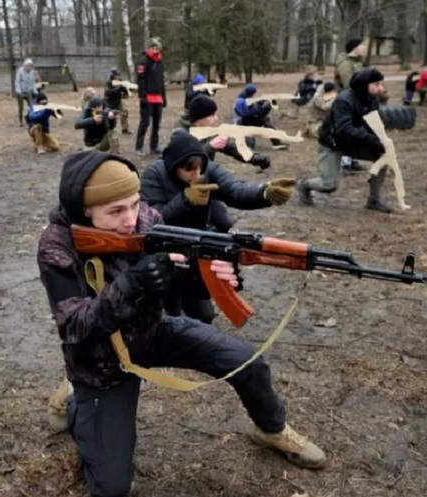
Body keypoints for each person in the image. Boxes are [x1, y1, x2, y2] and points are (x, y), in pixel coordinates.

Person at [38, 150, 326, 497]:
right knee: (112, 487)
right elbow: (72, 327)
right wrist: (131, 285)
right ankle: (75, 403)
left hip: (153, 331)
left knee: (245, 360)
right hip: (100, 363)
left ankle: (271, 427)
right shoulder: (57, 245)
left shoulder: (147, 218)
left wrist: (214, 276)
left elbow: (179, 278)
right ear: (84, 209)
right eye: (115, 211)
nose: (131, 219)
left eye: (134, 203)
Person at [140, 130, 294, 323]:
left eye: (200, 167)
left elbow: (235, 190)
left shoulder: (208, 171)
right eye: (189, 168)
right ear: (174, 166)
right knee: (169, 308)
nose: (196, 173)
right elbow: (151, 219)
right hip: (164, 249)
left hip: (197, 245)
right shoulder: (154, 174)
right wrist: (185, 200)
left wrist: (264, 193)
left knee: (204, 314)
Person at [295, 68, 392, 214]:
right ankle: (304, 185)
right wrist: (371, 139)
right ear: (365, 84)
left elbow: (371, 122)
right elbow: (344, 129)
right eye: (377, 84)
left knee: (383, 157)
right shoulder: (344, 100)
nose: (381, 88)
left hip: (352, 141)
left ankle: (374, 200)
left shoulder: (372, 99)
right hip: (333, 143)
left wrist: (381, 141)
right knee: (329, 185)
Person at [177, 94, 271, 169]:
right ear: (199, 118)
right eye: (212, 115)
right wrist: (210, 146)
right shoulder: (180, 135)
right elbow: (184, 162)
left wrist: (255, 157)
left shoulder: (209, 131)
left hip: (206, 175)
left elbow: (232, 147)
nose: (216, 118)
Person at [135, 38, 167, 155]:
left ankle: (154, 146)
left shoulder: (159, 62)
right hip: (147, 97)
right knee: (145, 122)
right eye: (153, 47)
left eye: (157, 48)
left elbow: (161, 80)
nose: (155, 50)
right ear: (149, 48)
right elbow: (141, 79)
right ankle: (139, 147)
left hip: (158, 97)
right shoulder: (144, 61)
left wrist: (164, 96)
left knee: (156, 123)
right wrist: (142, 96)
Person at [233, 84, 288, 151]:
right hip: (242, 124)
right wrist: (266, 107)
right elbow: (250, 114)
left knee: (266, 119)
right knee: (250, 145)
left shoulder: (249, 98)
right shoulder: (240, 101)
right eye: (255, 93)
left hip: (250, 121)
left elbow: (256, 113)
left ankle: (276, 142)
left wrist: (261, 102)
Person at [104, 68, 131, 135]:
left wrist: (125, 88)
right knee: (109, 115)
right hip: (109, 102)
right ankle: (107, 129)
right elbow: (108, 92)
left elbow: (125, 92)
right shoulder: (108, 83)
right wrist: (118, 88)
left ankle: (124, 129)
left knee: (125, 111)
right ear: (112, 76)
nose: (118, 77)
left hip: (118, 100)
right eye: (116, 75)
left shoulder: (120, 82)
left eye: (118, 75)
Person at [16, 58, 40, 126]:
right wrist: (19, 91)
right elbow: (17, 82)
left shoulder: (32, 72)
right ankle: (20, 121)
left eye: (31, 66)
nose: (29, 67)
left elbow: (32, 83)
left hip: (28, 91)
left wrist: (35, 92)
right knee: (21, 107)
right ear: (25, 65)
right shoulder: (20, 71)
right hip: (20, 91)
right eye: (28, 66)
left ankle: (30, 119)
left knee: (32, 106)